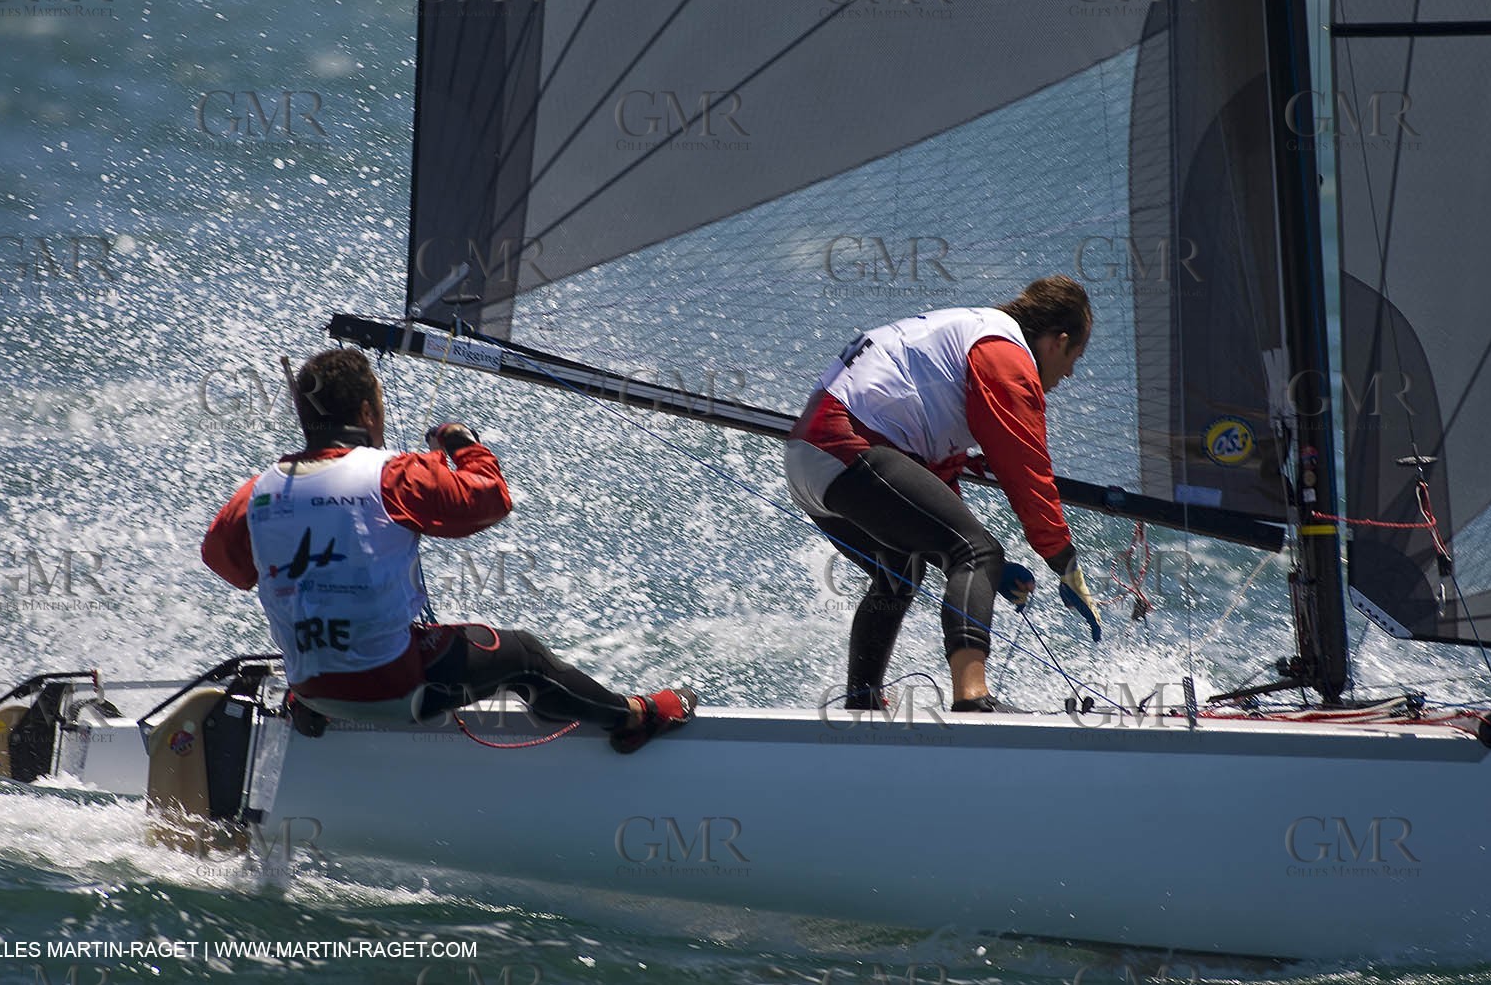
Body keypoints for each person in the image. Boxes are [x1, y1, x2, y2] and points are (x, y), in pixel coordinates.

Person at [201, 348, 695, 753]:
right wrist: (461, 442)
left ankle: (314, 706)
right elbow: (490, 498)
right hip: (395, 690)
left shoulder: (258, 491)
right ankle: (633, 719)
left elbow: (225, 562)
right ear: (369, 412)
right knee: (523, 654)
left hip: (312, 686)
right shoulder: (393, 474)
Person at [784, 275, 1103, 712]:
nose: (1068, 374)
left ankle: (862, 702)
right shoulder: (1002, 352)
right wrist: (1064, 563)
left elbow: (930, 492)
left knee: (900, 567)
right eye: (1074, 358)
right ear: (1056, 341)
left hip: (809, 457)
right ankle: (972, 697)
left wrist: (997, 571)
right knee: (976, 552)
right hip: (845, 447)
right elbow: (1026, 469)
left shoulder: (965, 335)